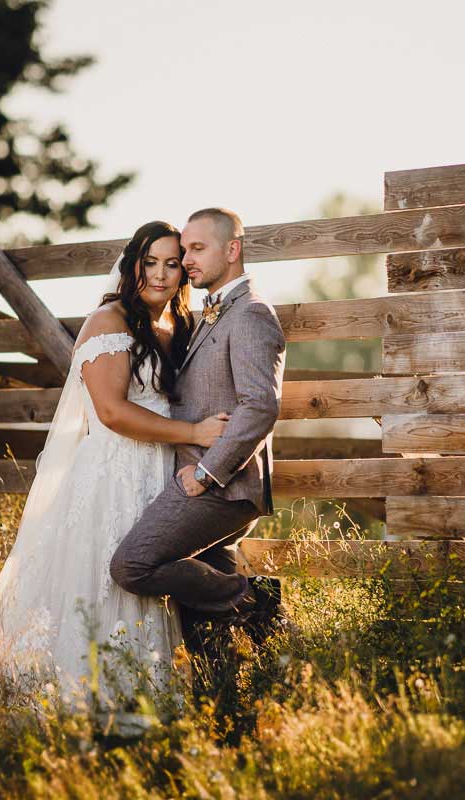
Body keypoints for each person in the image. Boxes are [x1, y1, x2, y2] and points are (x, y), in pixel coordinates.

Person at [0, 221, 228, 724]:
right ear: (132, 265)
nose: (160, 274)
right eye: (150, 262)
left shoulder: (177, 325)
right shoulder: (109, 321)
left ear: (183, 272)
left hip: (158, 470)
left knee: (147, 571)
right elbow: (111, 412)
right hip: (114, 473)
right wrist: (196, 433)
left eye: (172, 264)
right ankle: (75, 691)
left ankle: (141, 693)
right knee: (105, 576)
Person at [110, 207, 286, 654]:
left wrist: (207, 474)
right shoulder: (210, 313)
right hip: (197, 477)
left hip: (220, 485)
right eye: (184, 251)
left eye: (197, 249)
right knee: (203, 621)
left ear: (232, 249)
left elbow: (260, 406)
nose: (187, 260)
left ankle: (257, 600)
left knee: (132, 566)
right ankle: (228, 683)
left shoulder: (250, 313)